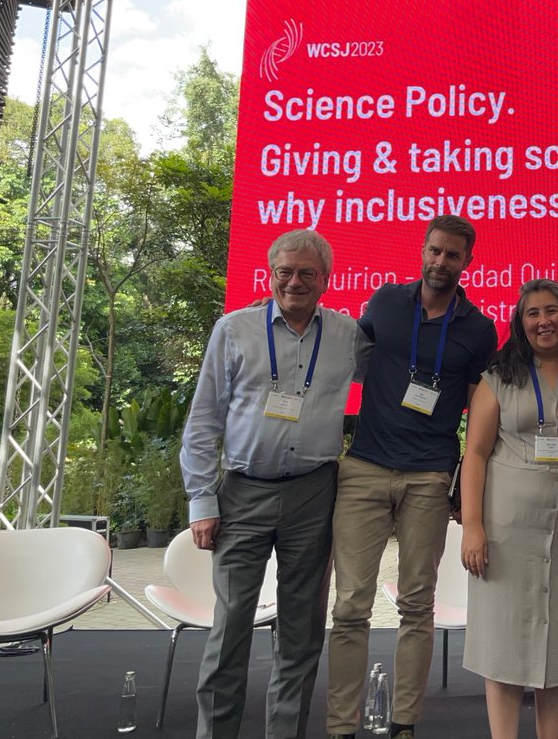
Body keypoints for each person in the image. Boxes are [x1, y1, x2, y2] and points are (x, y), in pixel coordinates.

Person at [180, 229, 370, 739]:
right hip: (241, 492)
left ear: (327, 280)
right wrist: (201, 498)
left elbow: (393, 385)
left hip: (314, 492)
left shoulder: (349, 335)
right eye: (285, 272)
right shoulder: (234, 329)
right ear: (270, 274)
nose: (295, 282)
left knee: (302, 630)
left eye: (307, 273)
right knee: (231, 626)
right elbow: (203, 420)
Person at [327, 215, 498, 739]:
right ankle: (340, 726)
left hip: (429, 475)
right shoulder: (383, 303)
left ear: (467, 262)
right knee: (351, 604)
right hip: (364, 469)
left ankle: (404, 723)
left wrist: (464, 486)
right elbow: (353, 365)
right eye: (435, 251)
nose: (441, 262)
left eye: (452, 255)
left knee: (416, 605)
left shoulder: (479, 328)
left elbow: (480, 414)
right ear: (422, 251)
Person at [459, 279, 558, 739]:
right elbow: (475, 455)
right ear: (520, 322)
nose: (543, 321)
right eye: (533, 313)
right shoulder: (498, 377)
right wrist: (472, 526)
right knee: (504, 639)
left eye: (552, 311)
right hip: (507, 530)